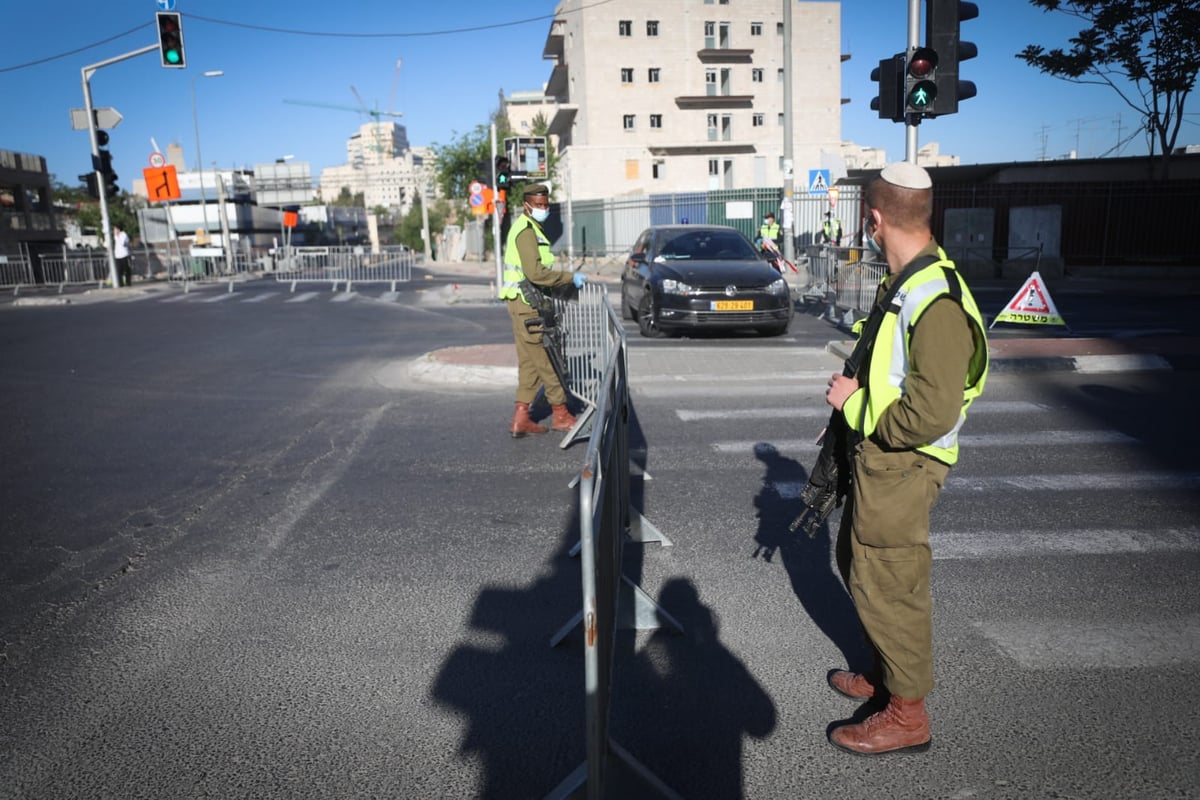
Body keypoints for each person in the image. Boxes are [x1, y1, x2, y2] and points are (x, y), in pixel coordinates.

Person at [821, 162, 988, 756]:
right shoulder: (910, 281)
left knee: (892, 583)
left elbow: (932, 411)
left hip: (904, 463)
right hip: (883, 460)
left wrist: (857, 404)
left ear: (874, 218)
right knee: (861, 566)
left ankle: (907, 713)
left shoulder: (935, 297)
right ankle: (888, 674)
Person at [499, 183, 587, 438]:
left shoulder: (529, 228)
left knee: (529, 362)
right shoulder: (526, 231)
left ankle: (521, 417)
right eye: (538, 205)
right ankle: (560, 413)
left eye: (546, 205)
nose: (543, 209)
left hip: (521, 302)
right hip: (528, 304)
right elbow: (535, 273)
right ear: (526, 205)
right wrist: (569, 277)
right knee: (547, 359)